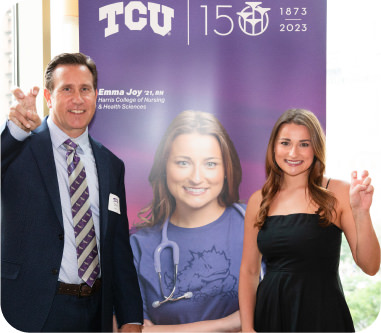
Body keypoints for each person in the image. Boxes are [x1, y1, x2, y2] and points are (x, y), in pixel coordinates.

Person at [1, 52, 143, 332]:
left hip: (95, 312)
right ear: (48, 96)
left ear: (95, 95)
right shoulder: (20, 149)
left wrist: (130, 318)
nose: (77, 99)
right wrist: (14, 133)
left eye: (85, 89)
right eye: (67, 89)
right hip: (35, 310)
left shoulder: (111, 165)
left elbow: (118, 248)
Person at [239, 108, 380, 332]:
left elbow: (371, 266)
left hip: (322, 316)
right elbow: (249, 272)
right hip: (271, 316)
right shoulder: (259, 200)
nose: (293, 153)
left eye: (304, 144)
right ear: (273, 147)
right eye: (285, 142)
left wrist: (362, 212)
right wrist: (248, 329)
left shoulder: (339, 192)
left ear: (316, 149)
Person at [130, 110, 246, 332]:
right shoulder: (139, 246)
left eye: (210, 164)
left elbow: (275, 310)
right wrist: (231, 323)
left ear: (225, 170)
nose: (196, 177)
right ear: (165, 167)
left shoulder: (254, 223)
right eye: (183, 163)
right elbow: (133, 329)